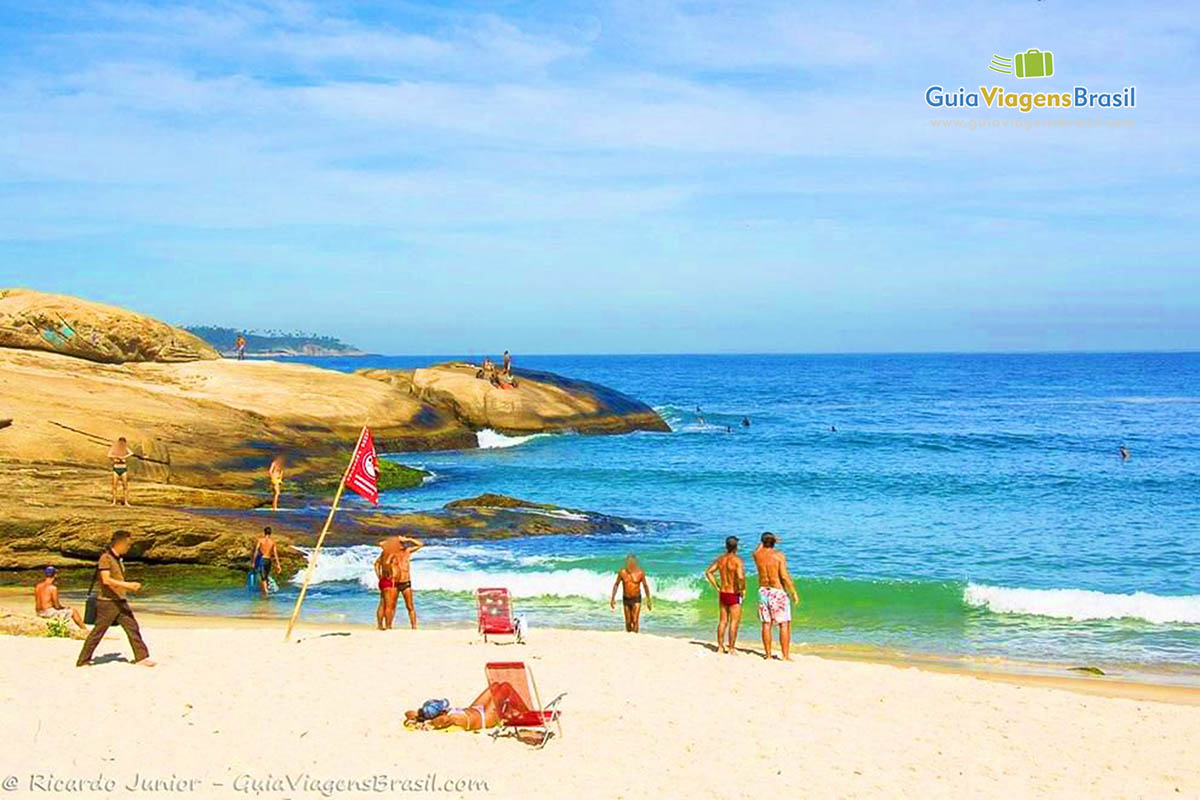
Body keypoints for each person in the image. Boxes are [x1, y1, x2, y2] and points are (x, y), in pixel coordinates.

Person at [77, 530, 153, 667]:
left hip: (119, 600)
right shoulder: (105, 558)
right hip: (108, 602)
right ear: (119, 543)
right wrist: (127, 585)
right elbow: (106, 580)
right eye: (127, 544)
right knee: (98, 632)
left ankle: (141, 657)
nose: (128, 547)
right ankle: (83, 660)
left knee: (132, 627)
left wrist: (126, 587)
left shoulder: (117, 559)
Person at [404, 680, 529, 732]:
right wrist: (430, 724)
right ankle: (527, 713)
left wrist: (419, 717)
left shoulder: (432, 715)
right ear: (441, 712)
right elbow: (445, 719)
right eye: (444, 708)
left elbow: (408, 713)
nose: (447, 708)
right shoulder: (452, 718)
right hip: (485, 718)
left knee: (495, 685)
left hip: (475, 709)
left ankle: (511, 711)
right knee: (505, 687)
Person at [753, 532, 800, 661]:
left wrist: (766, 540)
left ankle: (768, 655)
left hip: (763, 591)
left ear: (762, 542)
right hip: (777, 591)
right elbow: (784, 576)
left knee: (766, 624)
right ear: (774, 542)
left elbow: (758, 548)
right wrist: (793, 592)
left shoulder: (757, 555)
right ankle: (785, 656)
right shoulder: (779, 556)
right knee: (784, 624)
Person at [704, 536, 746, 654]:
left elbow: (708, 572)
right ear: (736, 547)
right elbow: (741, 577)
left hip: (723, 592)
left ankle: (720, 647)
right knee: (734, 622)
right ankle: (731, 648)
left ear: (726, 546)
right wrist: (742, 588)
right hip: (733, 593)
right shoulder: (738, 560)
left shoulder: (721, 559)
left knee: (723, 621)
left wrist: (717, 586)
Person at [379, 534, 424, 628]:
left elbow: (420, 544)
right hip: (394, 583)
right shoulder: (391, 551)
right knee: (391, 606)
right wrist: (394, 539)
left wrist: (408, 539)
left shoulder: (407, 551)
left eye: (402, 543)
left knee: (410, 606)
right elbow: (381, 544)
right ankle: (388, 626)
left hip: (406, 582)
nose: (401, 545)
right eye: (400, 543)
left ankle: (414, 626)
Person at [34, 566, 86, 630]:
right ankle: (84, 629)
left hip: (39, 612)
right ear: (55, 575)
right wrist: (64, 607)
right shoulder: (53, 588)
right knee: (73, 611)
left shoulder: (38, 586)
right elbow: (57, 606)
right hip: (48, 613)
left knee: (66, 611)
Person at [609, 554, 652, 632]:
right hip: (626, 599)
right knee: (628, 621)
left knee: (635, 620)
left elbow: (645, 586)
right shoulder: (622, 572)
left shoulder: (640, 572)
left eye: (632, 562)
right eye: (629, 562)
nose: (630, 564)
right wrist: (612, 598)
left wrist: (648, 600)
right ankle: (629, 636)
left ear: (635, 563)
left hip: (636, 599)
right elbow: (616, 584)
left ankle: (635, 636)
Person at [251, 526, 280, 598]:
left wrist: (253, 562)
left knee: (263, 578)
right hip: (269, 560)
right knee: (266, 577)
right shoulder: (272, 542)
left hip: (262, 560)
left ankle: (266, 593)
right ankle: (265, 592)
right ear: (270, 533)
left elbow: (256, 551)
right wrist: (278, 565)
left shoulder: (260, 540)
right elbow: (275, 554)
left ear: (264, 532)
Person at [107, 437, 132, 506]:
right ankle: (114, 501)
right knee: (114, 486)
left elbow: (131, 453)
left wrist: (124, 457)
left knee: (125, 486)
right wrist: (115, 457)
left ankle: (126, 501)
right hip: (116, 468)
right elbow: (109, 455)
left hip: (123, 468)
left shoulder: (125, 448)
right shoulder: (115, 448)